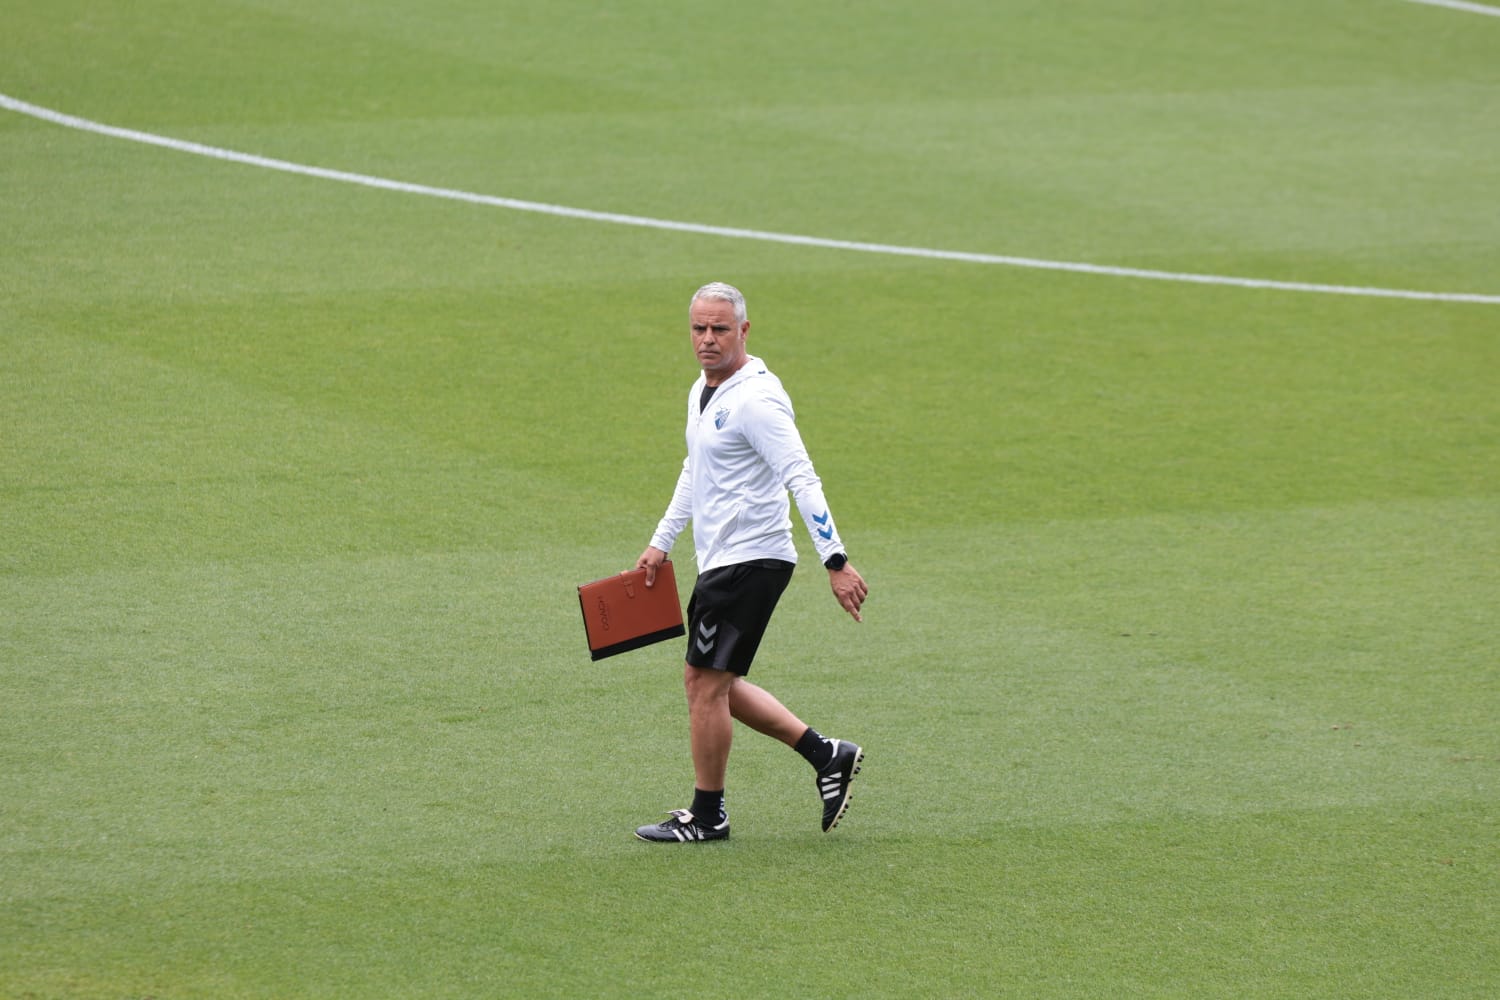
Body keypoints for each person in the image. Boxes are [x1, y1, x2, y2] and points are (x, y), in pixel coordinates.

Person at [633, 281, 869, 843]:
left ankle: (709, 814)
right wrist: (661, 539)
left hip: (752, 558)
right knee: (709, 680)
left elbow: (801, 477)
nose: (707, 340)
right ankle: (826, 754)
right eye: (698, 329)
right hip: (720, 558)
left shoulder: (757, 401)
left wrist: (835, 561)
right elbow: (695, 468)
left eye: (719, 329)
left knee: (703, 682)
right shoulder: (704, 389)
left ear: (744, 330)